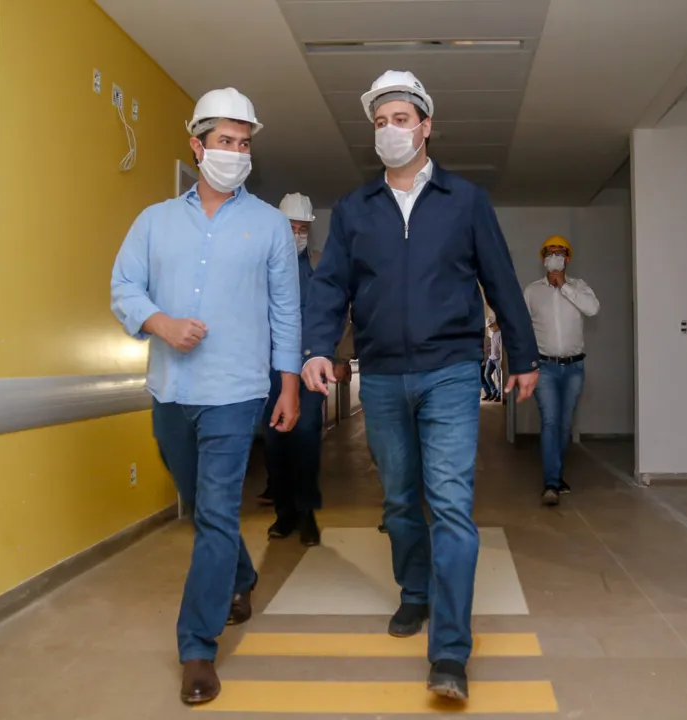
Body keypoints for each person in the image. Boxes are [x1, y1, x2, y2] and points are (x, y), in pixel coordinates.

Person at [300, 70, 539, 701]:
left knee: (451, 504)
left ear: (426, 126)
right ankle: (414, 590)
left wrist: (524, 355)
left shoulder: (465, 201)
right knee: (401, 501)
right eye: (380, 122)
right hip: (380, 375)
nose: (390, 131)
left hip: (451, 371)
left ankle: (451, 651)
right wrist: (317, 348)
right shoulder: (355, 210)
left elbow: (501, 278)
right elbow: (330, 287)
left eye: (401, 119)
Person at [110, 87, 301, 706]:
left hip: (235, 392)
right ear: (197, 146)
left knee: (216, 512)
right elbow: (123, 286)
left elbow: (285, 311)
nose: (235, 153)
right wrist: (159, 323)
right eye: (225, 141)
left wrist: (289, 385)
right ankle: (240, 573)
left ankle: (197, 648)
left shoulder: (269, 225)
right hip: (171, 390)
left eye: (244, 144)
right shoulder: (155, 221)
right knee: (200, 505)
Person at [261, 193, 325, 546]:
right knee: (276, 439)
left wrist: (336, 357)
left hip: (308, 367)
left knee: (307, 436)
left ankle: (306, 513)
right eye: (291, 228)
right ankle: (284, 513)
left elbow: (336, 311)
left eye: (303, 229)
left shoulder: (319, 264)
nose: (297, 235)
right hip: (270, 367)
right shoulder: (262, 263)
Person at [523, 235, 600, 506]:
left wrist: (564, 286)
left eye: (560, 253)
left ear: (567, 258)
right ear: (543, 258)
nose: (554, 257)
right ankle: (551, 483)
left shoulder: (579, 287)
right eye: (550, 252)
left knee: (565, 425)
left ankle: (556, 474)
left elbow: (592, 309)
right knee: (550, 421)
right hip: (544, 367)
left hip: (574, 368)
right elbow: (521, 322)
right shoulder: (532, 291)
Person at [482, 316, 502, 402]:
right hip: (491, 358)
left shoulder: (501, 334)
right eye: (489, 327)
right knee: (486, 375)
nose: (490, 328)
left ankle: (499, 395)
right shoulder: (494, 333)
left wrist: (501, 360)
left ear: (495, 324)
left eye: (491, 326)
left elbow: (501, 348)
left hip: (498, 359)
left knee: (499, 378)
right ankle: (494, 391)